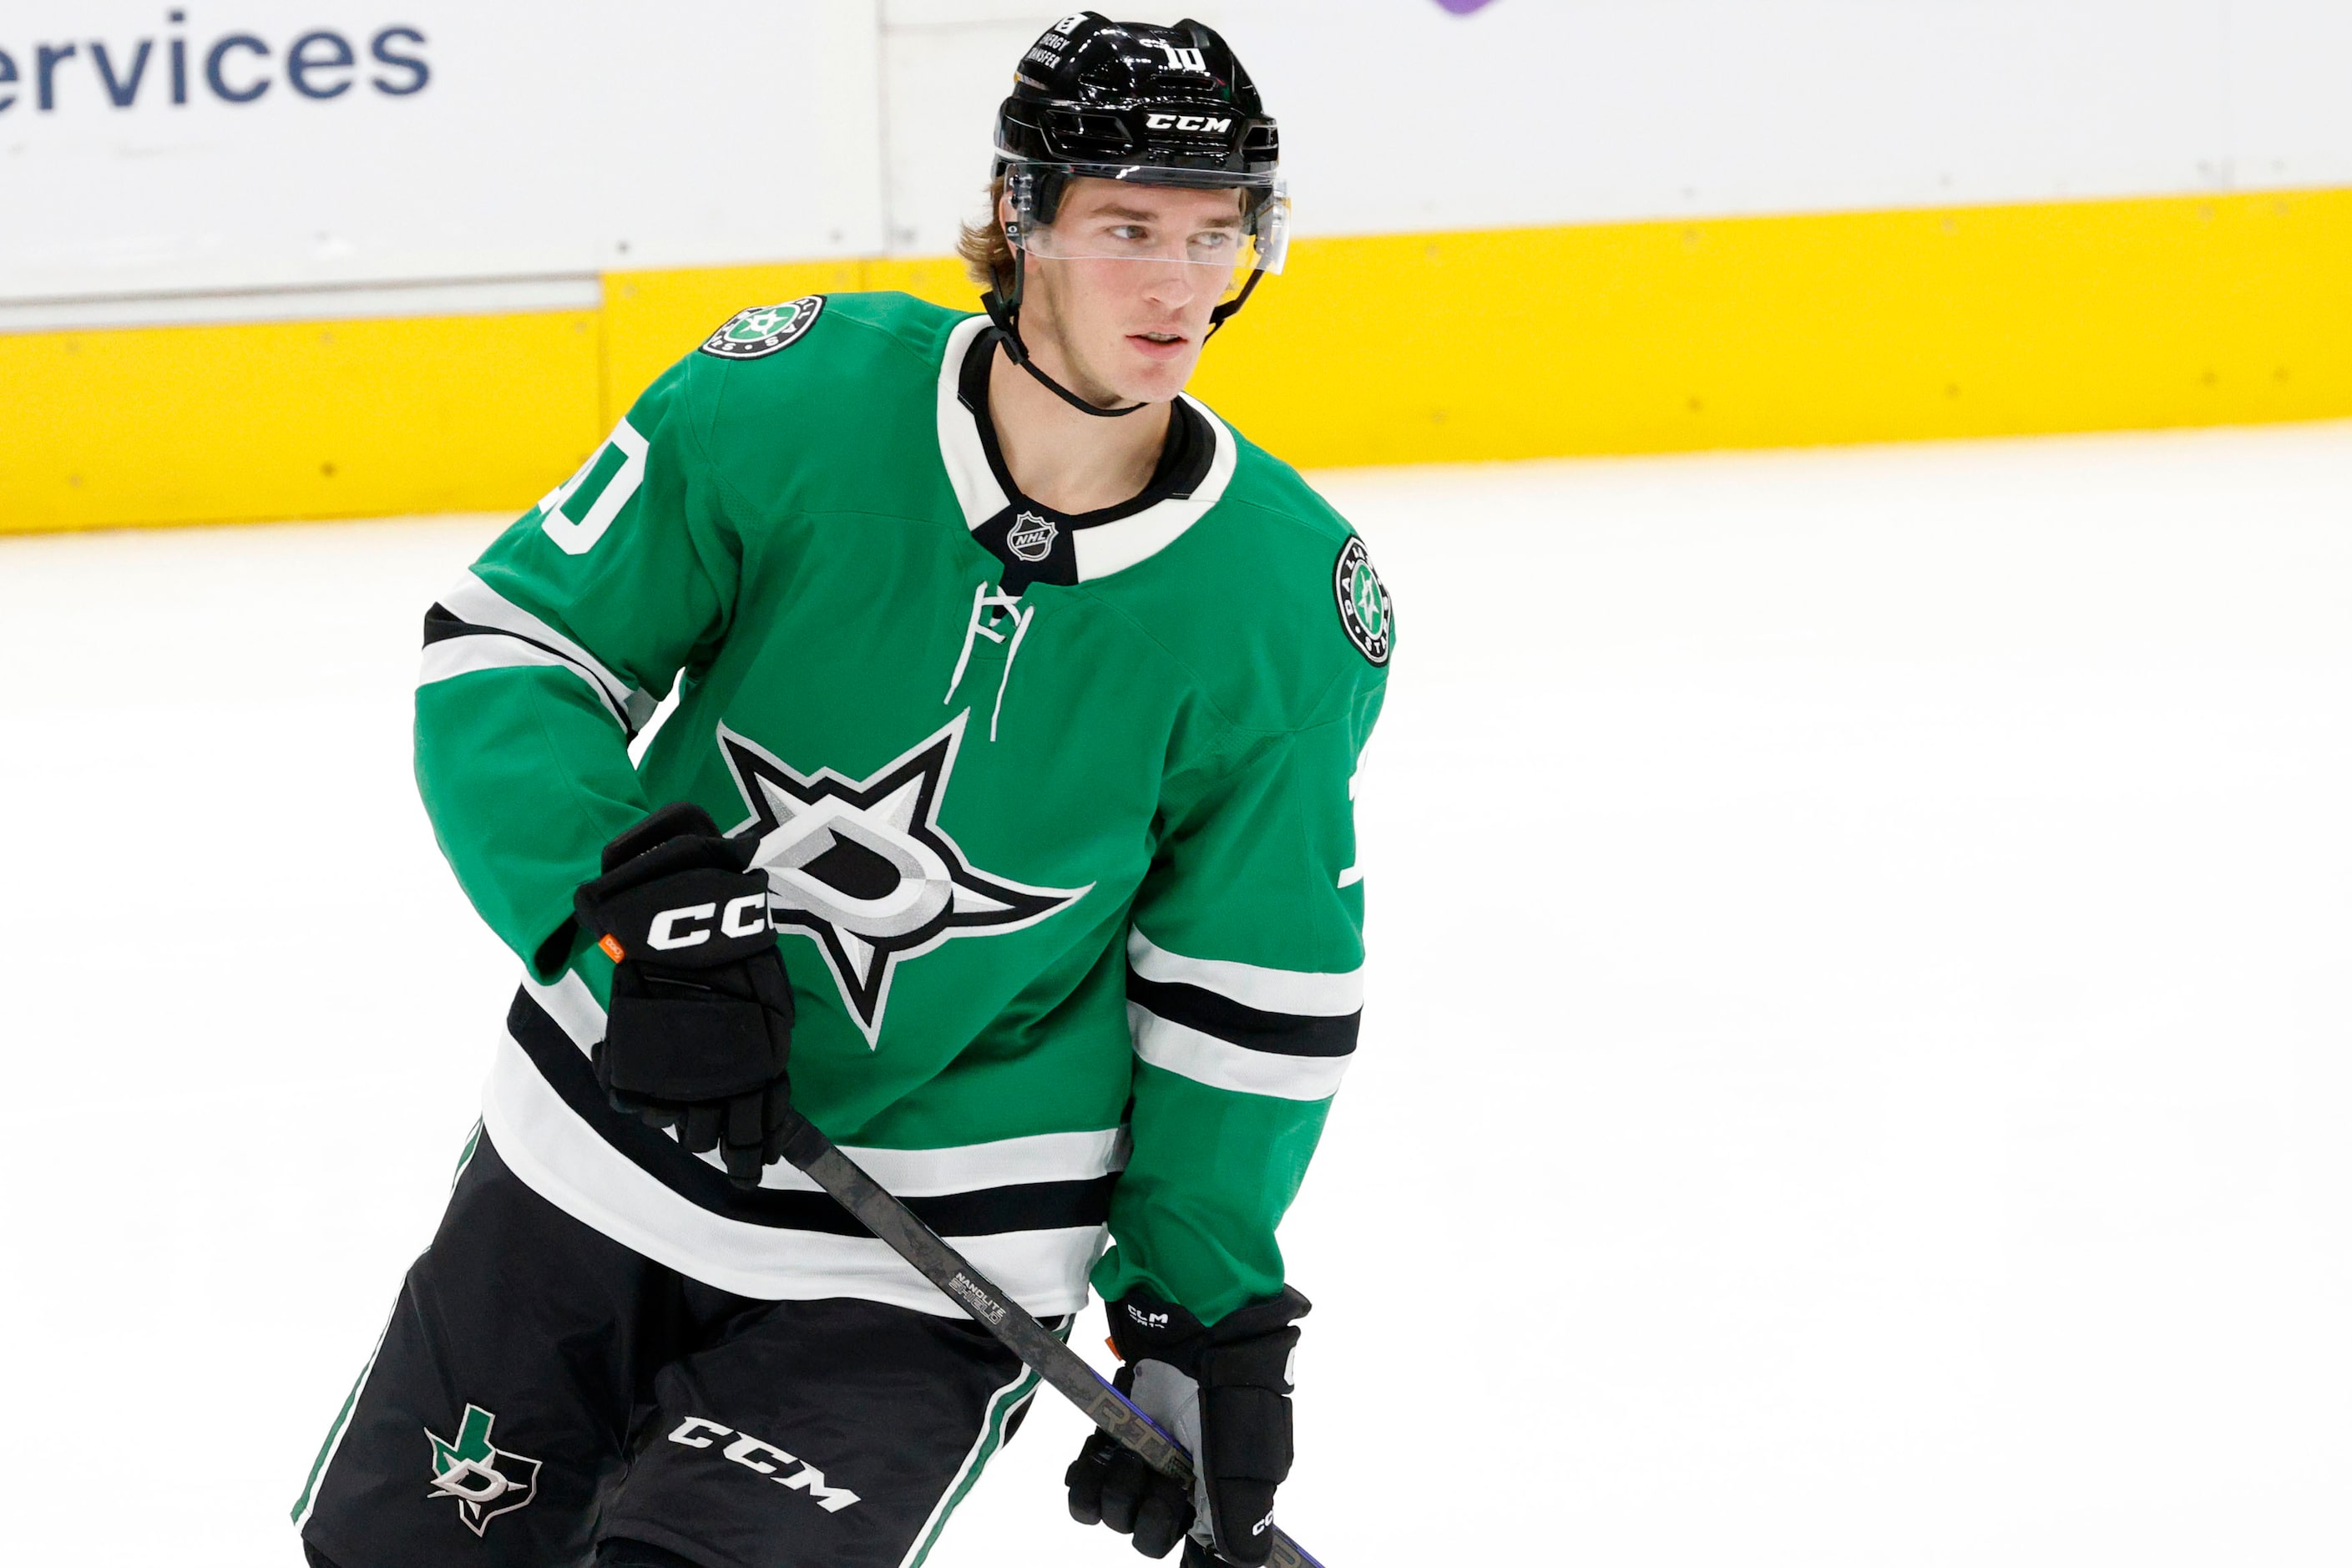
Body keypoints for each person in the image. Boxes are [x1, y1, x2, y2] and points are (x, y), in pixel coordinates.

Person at [291, 13, 1392, 1568]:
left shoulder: (1285, 599)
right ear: (1020, 224)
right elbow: (512, 652)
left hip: (929, 1249)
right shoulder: (786, 400)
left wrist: (1195, 1306)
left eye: (1219, 234)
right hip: (593, 1150)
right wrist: (629, 917)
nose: (1180, 286)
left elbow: (1243, 988)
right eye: (1128, 228)